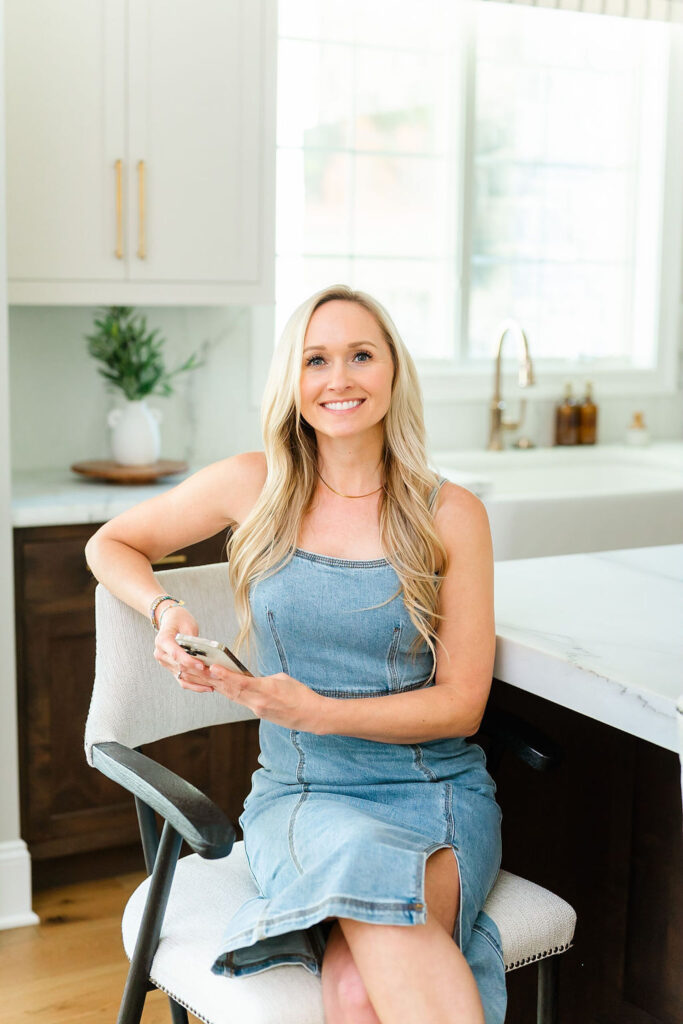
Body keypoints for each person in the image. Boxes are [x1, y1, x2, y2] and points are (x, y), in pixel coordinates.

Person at [85, 284, 506, 1024]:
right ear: (293, 380)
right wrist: (165, 607)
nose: (338, 378)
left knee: (350, 991)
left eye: (360, 356)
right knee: (360, 981)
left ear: (393, 372)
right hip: (305, 797)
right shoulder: (253, 485)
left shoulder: (450, 514)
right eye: (316, 360)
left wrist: (314, 709)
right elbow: (109, 543)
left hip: (431, 793)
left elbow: (461, 705)